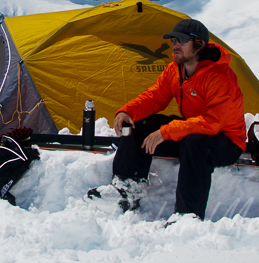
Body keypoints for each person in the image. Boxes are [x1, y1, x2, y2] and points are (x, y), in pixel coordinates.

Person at [90, 19, 246, 220]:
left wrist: (167, 132)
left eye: (181, 40)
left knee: (194, 143)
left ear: (198, 44)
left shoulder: (220, 76)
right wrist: (127, 111)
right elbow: (155, 96)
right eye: (173, 40)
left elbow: (212, 122)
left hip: (226, 141)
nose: (175, 45)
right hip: (193, 132)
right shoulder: (176, 69)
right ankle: (126, 190)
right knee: (139, 125)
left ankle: (187, 216)